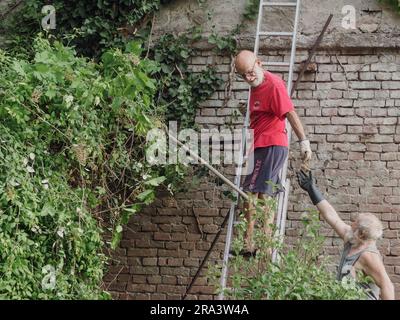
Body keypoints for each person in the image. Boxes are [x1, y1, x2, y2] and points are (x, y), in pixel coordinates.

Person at [234, 50, 312, 256]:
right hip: (259, 145)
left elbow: (290, 113)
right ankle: (259, 244)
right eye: (243, 76)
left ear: (259, 63)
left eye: (250, 72)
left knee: (252, 193)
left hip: (271, 145)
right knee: (258, 194)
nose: (249, 78)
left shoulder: (274, 84)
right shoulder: (254, 87)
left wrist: (304, 141)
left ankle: (251, 245)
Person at [297, 169, 395, 300]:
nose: (351, 224)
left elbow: (387, 286)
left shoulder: (368, 255)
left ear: (361, 234)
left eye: (355, 222)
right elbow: (332, 217)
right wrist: (311, 189)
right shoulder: (351, 239)